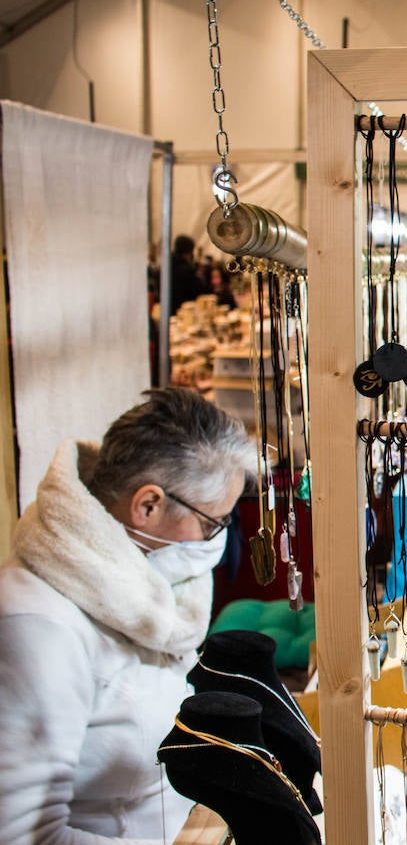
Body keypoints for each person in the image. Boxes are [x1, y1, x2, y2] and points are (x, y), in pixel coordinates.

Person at [0, 388, 256, 842]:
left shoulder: (144, 581)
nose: (217, 539)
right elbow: (23, 834)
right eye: (213, 523)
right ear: (148, 505)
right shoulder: (36, 626)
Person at [170, 234, 209, 313]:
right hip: (185, 310)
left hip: (169, 309)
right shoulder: (186, 269)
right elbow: (198, 290)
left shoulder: (167, 266)